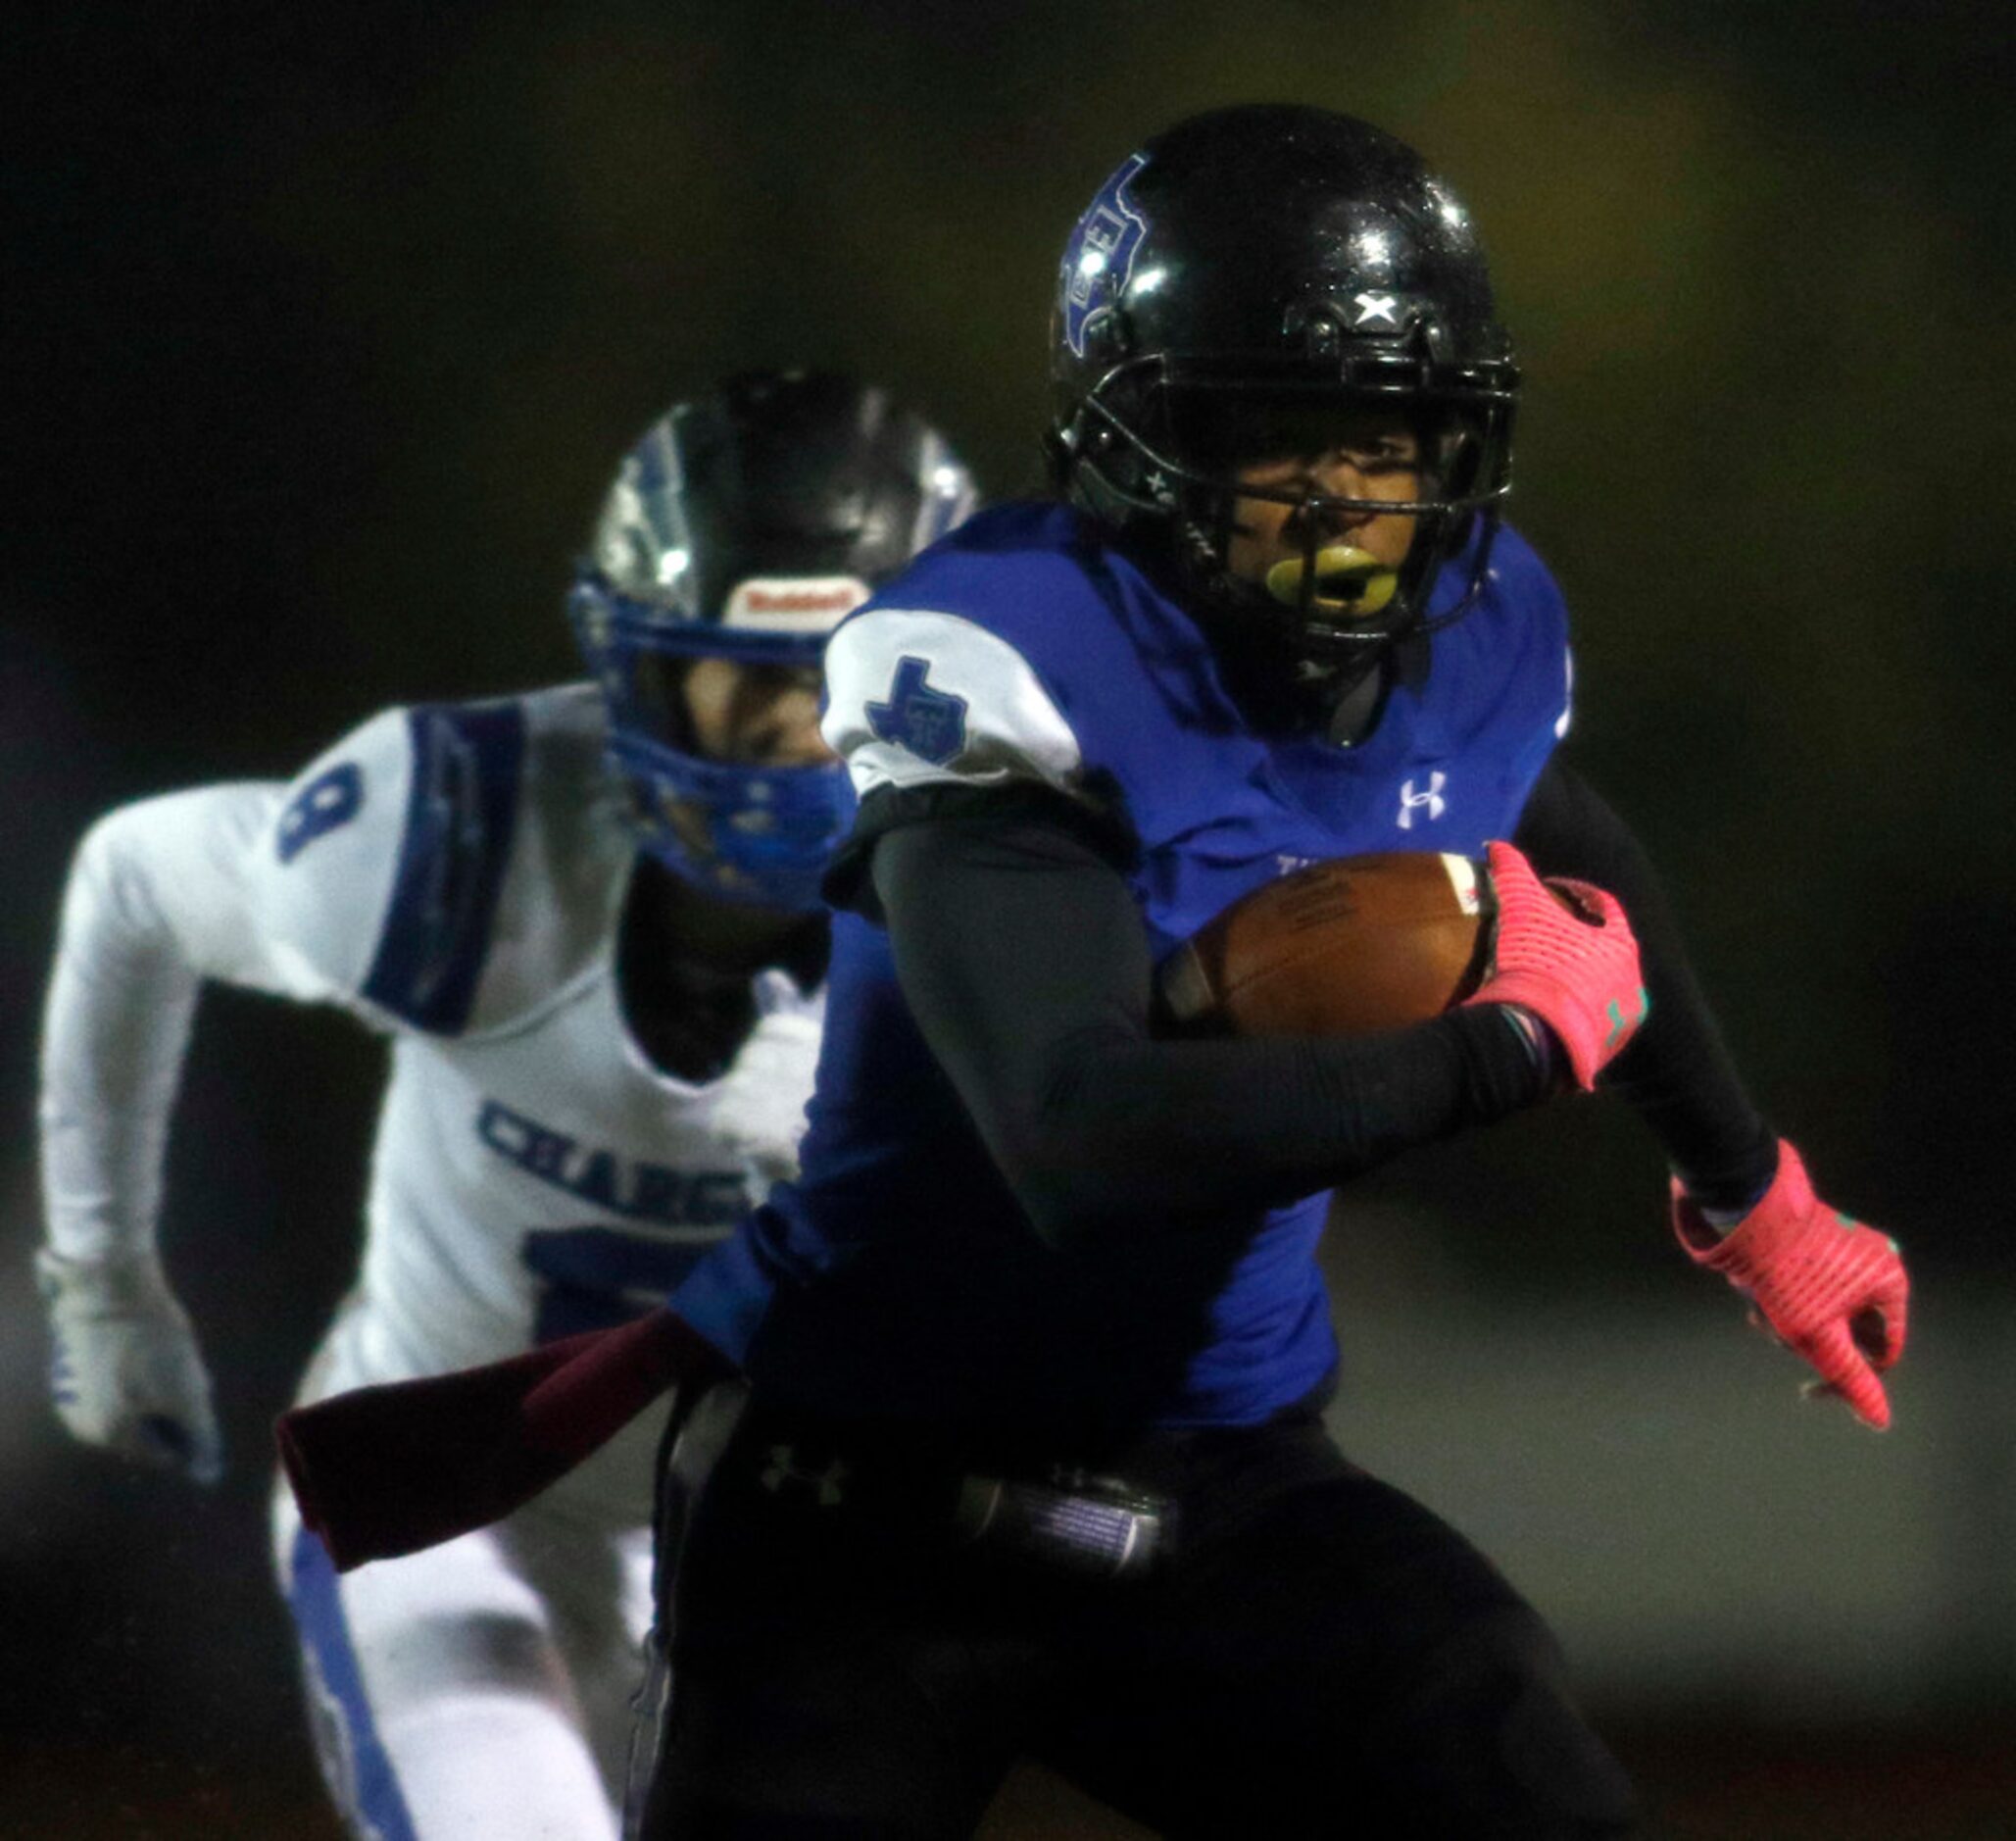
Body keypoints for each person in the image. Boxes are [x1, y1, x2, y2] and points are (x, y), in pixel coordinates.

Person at [279, 107, 1910, 1839]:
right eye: (1286, 434)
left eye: (1389, 434)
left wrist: (1752, 1192)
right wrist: (1508, 1046)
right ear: (1146, 433)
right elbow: (1084, 1139)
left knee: (1499, 1740)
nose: (1351, 496)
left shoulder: (1481, 631)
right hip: (864, 1510)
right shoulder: (1004, 656)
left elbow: (1562, 834)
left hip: (1214, 1478)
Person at [34, 371, 977, 1841]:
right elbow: (139, 877)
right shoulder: (457, 842)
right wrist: (98, 1276)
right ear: (633, 671)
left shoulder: (1011, 898)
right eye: (748, 684)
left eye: (844, 683)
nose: (799, 742)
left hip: (784, 1548)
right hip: (447, 1507)